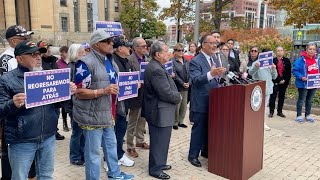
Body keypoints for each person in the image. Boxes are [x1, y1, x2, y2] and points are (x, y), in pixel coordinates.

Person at [0, 40, 77, 180]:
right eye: (32, 54)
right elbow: (1, 110)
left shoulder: (47, 76)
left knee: (46, 176)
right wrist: (13, 103)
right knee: (19, 177)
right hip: (21, 140)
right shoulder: (6, 80)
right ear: (19, 58)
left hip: (47, 137)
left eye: (39, 54)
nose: (37, 57)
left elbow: (58, 104)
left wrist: (67, 93)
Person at [73, 29, 134, 180]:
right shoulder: (85, 62)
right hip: (92, 116)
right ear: (96, 44)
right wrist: (102, 91)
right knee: (93, 153)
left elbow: (115, 82)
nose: (111, 43)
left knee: (111, 147)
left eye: (111, 40)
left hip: (108, 112)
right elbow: (79, 92)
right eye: (107, 41)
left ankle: (115, 174)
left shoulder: (109, 59)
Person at [0, 25, 35, 180]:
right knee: (9, 151)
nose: (27, 41)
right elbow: (8, 88)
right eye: (23, 38)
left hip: (26, 113)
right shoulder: (7, 60)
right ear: (14, 41)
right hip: (12, 113)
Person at [143, 40, 181, 179]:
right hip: (159, 111)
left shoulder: (158, 66)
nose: (169, 53)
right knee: (159, 141)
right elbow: (165, 93)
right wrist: (178, 97)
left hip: (162, 111)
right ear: (158, 54)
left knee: (163, 140)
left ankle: (160, 163)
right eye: (166, 51)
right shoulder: (157, 69)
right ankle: (155, 169)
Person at [188, 34, 226, 167]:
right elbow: (196, 80)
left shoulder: (214, 58)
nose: (215, 45)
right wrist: (212, 74)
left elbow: (214, 79)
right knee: (199, 129)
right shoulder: (195, 61)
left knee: (209, 128)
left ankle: (205, 150)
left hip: (213, 100)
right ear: (204, 45)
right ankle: (193, 155)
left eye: (216, 43)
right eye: (212, 43)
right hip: (201, 101)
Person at [112, 35, 135, 167]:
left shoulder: (125, 60)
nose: (129, 48)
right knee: (116, 132)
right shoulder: (114, 61)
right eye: (127, 46)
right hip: (116, 104)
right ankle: (113, 158)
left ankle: (118, 154)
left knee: (121, 130)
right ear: (120, 48)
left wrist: (133, 84)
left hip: (124, 103)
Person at [126, 37, 150, 158]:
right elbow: (127, 78)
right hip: (135, 95)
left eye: (146, 46)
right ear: (135, 48)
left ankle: (140, 141)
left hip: (145, 94)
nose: (145, 48)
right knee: (132, 121)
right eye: (142, 46)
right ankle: (130, 146)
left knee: (142, 120)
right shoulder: (129, 60)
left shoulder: (147, 59)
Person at [37, 40, 65, 140]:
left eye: (48, 48)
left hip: (55, 93)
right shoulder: (39, 61)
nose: (48, 50)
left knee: (56, 113)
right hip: (44, 94)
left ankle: (55, 130)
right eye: (45, 49)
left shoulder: (54, 60)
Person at [65, 44, 86, 166]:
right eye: (81, 52)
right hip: (74, 105)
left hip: (82, 104)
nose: (84, 54)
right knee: (77, 133)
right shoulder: (71, 67)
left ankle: (82, 154)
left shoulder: (81, 65)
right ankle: (74, 156)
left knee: (83, 132)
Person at [248, 48, 277, 131]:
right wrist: (256, 67)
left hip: (267, 89)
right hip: (257, 89)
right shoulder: (256, 63)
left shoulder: (270, 65)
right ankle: (254, 122)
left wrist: (274, 69)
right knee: (256, 107)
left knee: (264, 107)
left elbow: (274, 77)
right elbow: (250, 72)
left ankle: (262, 123)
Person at [292, 43, 320, 123]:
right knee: (301, 100)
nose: (312, 51)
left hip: (313, 84)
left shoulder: (317, 60)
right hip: (303, 84)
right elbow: (295, 70)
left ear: (315, 51)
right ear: (306, 50)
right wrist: (301, 77)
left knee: (309, 100)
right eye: (310, 49)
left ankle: (308, 115)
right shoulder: (301, 60)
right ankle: (299, 116)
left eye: (313, 49)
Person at [268, 46, 292, 118]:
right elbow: (271, 72)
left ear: (283, 51)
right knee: (273, 97)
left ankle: (280, 111)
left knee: (281, 97)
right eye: (278, 50)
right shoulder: (272, 61)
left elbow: (288, 73)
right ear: (276, 52)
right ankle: (271, 112)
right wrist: (278, 80)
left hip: (284, 83)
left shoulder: (287, 61)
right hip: (275, 82)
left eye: (281, 50)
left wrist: (284, 80)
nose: (280, 52)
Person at [171, 43, 189, 130]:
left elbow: (190, 72)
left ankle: (181, 121)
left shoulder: (186, 61)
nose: (181, 52)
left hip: (186, 85)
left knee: (184, 105)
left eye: (183, 50)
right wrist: (182, 83)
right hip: (177, 86)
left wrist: (189, 82)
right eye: (179, 50)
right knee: (177, 105)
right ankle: (175, 121)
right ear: (175, 51)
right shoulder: (172, 61)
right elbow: (175, 74)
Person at [57, 45, 71, 131]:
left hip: (71, 87)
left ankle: (70, 122)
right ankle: (64, 123)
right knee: (63, 107)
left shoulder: (71, 62)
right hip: (62, 87)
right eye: (61, 54)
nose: (62, 55)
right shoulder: (58, 63)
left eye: (63, 53)